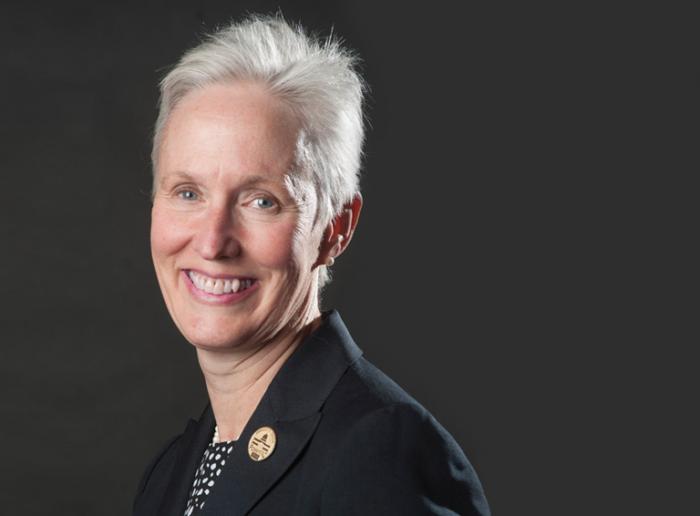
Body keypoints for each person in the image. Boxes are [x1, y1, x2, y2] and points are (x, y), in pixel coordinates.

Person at [133, 14, 490, 516]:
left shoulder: (379, 452)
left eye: (262, 201)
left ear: (336, 228)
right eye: (188, 193)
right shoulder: (173, 472)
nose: (213, 242)